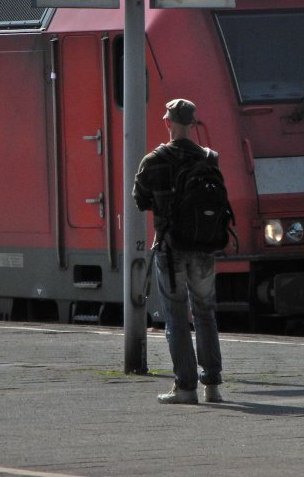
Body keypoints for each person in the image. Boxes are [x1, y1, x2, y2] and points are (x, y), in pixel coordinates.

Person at [133, 98, 224, 405]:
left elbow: (141, 200)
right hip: (204, 248)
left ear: (167, 122)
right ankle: (213, 386)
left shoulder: (154, 160)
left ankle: (185, 387)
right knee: (205, 314)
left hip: (170, 249)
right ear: (193, 124)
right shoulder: (210, 159)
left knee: (175, 316)